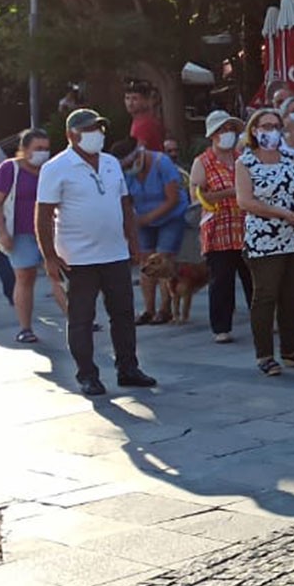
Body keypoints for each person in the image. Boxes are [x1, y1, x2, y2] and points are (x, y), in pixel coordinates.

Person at [36, 109, 156, 396]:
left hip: (114, 253)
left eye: (100, 129)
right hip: (78, 258)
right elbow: (43, 214)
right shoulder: (56, 167)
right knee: (81, 318)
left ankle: (128, 368)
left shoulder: (112, 163)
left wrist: (133, 242)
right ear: (72, 135)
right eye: (90, 129)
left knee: (123, 314)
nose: (97, 134)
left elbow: (125, 203)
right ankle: (87, 374)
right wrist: (49, 256)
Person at [233, 109, 294, 377]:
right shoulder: (245, 163)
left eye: (276, 126)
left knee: (292, 295)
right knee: (266, 295)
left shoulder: (291, 158)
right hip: (265, 239)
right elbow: (245, 200)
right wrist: (281, 213)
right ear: (254, 131)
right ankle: (265, 354)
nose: (271, 131)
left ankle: (290, 350)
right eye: (265, 126)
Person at [189, 111, 253, 344]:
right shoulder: (202, 162)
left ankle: (263, 319)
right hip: (218, 229)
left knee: (253, 277)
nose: (227, 135)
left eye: (230, 130)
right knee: (222, 280)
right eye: (222, 130)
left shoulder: (242, 158)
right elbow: (197, 198)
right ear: (212, 135)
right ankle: (221, 327)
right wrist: (230, 192)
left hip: (246, 226)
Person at [117, 136, 190, 324]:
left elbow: (172, 198)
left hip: (170, 216)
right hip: (142, 219)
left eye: (132, 162)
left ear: (139, 153)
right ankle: (148, 309)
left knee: (163, 261)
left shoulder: (161, 163)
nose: (130, 168)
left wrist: (148, 218)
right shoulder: (126, 172)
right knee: (145, 263)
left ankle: (165, 309)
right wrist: (130, 222)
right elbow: (125, 199)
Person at [0, 129, 50, 343]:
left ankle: (79, 322)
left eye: (46, 148)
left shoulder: (50, 170)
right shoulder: (9, 169)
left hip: (50, 233)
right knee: (25, 278)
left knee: (60, 277)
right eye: (38, 149)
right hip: (21, 234)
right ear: (24, 150)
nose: (43, 153)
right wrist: (3, 233)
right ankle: (25, 328)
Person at [122, 81, 167, 157]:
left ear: (145, 101)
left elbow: (138, 153)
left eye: (135, 99)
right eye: (127, 98)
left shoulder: (145, 124)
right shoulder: (138, 120)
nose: (130, 103)